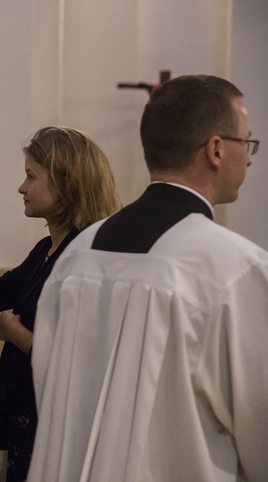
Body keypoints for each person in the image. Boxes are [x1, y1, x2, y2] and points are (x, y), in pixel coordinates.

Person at [29, 75, 268, 481]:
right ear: (214, 149)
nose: (248, 159)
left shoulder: (78, 256)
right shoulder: (232, 268)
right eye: (245, 144)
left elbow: (50, 388)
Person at [0, 126, 121, 481]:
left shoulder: (86, 255)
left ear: (67, 185)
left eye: (31, 177)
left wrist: (16, 333)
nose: (22, 188)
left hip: (57, 422)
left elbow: (80, 359)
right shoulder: (44, 251)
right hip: (29, 416)